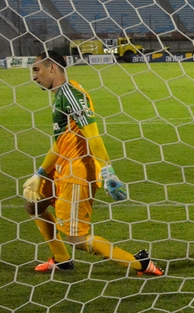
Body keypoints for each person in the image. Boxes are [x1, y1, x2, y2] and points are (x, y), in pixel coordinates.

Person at [24, 51, 163, 276]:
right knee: (33, 203)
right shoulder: (60, 96)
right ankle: (61, 260)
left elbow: (93, 135)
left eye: (36, 69)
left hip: (76, 173)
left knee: (77, 239)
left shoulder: (71, 95)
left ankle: (140, 263)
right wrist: (40, 174)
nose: (34, 76)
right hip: (62, 167)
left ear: (52, 68)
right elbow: (60, 142)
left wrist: (108, 172)